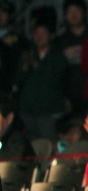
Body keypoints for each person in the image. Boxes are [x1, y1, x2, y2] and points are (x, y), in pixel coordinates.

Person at [14, 11, 68, 142]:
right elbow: (16, 80)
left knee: (49, 143)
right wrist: (25, 67)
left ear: (51, 35)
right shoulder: (27, 54)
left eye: (43, 33)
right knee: (31, 146)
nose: (39, 37)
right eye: (36, 33)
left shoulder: (57, 56)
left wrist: (37, 65)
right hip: (28, 110)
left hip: (48, 111)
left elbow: (55, 80)